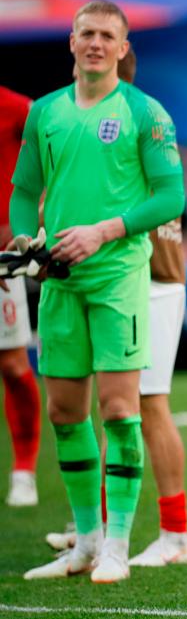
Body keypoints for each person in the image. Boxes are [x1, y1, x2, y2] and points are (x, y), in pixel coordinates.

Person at [15, 0, 185, 583]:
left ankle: (117, 544)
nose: (94, 43)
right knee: (65, 412)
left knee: (118, 408)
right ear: (71, 41)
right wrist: (23, 236)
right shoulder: (44, 113)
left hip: (118, 278)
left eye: (106, 35)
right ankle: (85, 541)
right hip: (58, 279)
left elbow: (170, 198)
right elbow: (23, 190)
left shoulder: (147, 112)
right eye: (85, 32)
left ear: (121, 47)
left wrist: (104, 231)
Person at [0, 85, 43, 508]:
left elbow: (51, 151)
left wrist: (28, 219)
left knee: (13, 367)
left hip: (1, 260)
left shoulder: (16, 108)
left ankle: (24, 469)